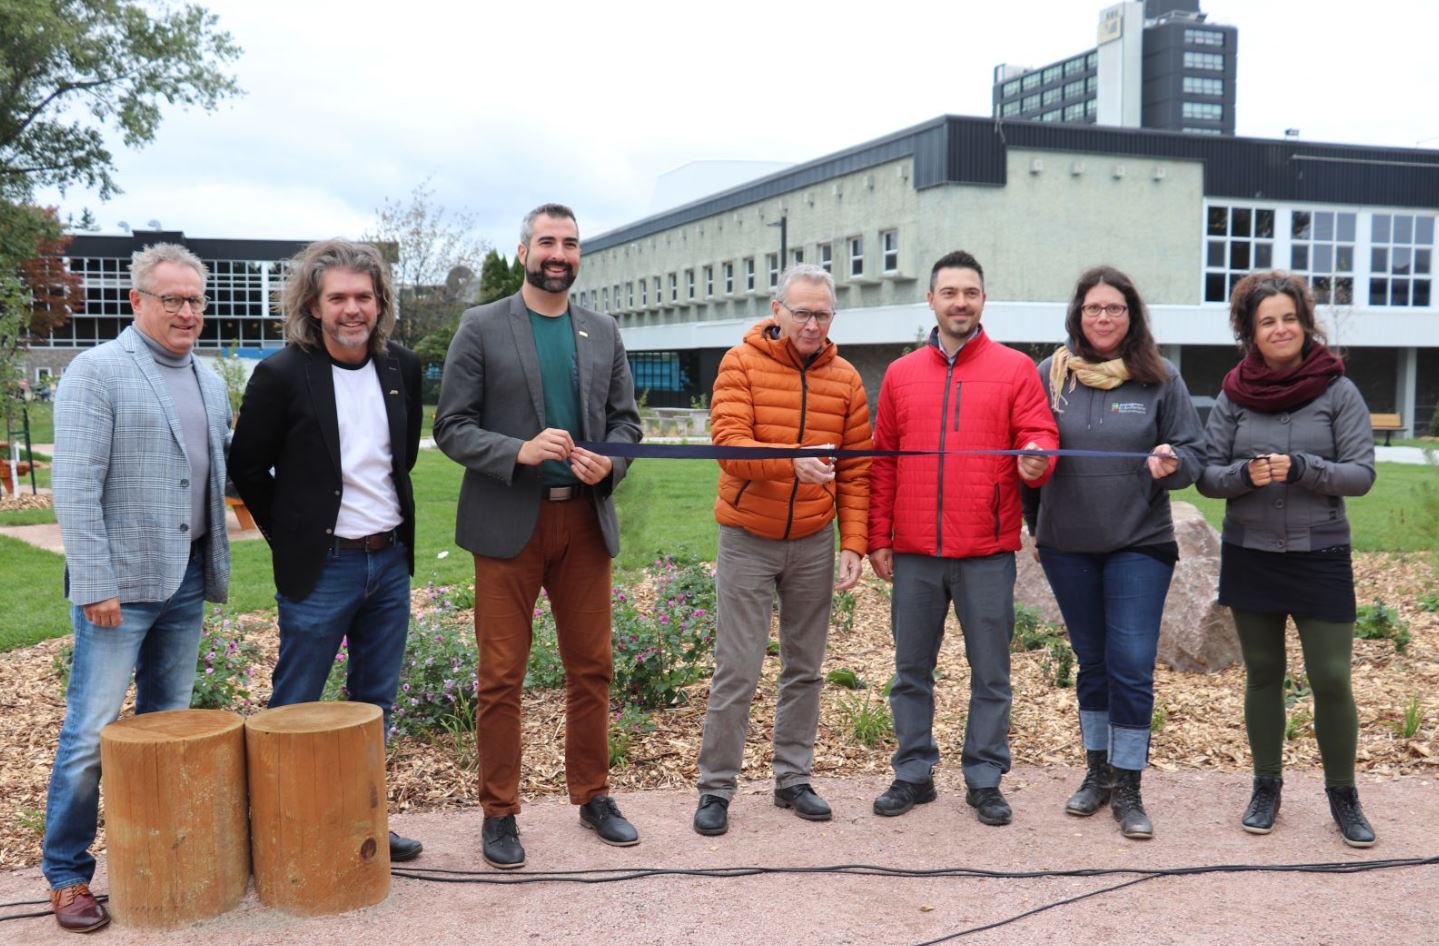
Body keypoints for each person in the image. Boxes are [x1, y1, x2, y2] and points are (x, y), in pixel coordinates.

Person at [434, 203, 643, 869]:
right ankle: (499, 812)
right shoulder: (481, 326)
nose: (559, 253)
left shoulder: (601, 331)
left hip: (582, 521)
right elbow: (451, 426)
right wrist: (517, 451)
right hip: (507, 524)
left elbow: (626, 425)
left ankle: (594, 795)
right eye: (547, 242)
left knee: (592, 668)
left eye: (570, 243)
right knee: (500, 676)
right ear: (523, 249)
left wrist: (611, 458)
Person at [44, 243, 232, 933]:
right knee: (91, 735)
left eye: (195, 300)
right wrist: (95, 581)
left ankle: (156, 857)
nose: (187, 312)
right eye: (172, 299)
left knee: (164, 732)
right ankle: (67, 875)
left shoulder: (209, 380)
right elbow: (75, 487)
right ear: (137, 302)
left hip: (184, 581)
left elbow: (217, 473)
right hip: (117, 591)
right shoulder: (97, 373)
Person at [229, 239, 424, 863]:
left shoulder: (403, 368)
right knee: (294, 704)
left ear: (380, 302)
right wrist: (290, 537)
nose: (352, 309)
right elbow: (248, 468)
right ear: (314, 305)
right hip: (323, 566)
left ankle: (361, 820)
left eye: (363, 296)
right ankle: (277, 834)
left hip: (389, 561)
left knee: (375, 705)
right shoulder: (283, 373)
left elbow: (404, 457)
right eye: (337, 297)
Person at [867, 250, 1058, 827]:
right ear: (931, 300)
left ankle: (983, 777)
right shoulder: (901, 374)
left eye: (970, 292)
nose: (960, 302)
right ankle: (913, 772)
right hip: (917, 551)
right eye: (949, 292)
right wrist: (879, 536)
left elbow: (1039, 434)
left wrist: (1037, 461)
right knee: (911, 670)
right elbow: (883, 462)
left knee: (992, 673)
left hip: (987, 550)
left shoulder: (1015, 368)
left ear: (983, 300)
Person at [1022, 266, 1203, 840]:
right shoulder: (1049, 376)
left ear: (1132, 317)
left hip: (1138, 545)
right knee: (1094, 665)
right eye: (1093, 308)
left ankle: (1129, 785)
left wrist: (1173, 463)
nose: (1103, 318)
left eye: (1115, 309)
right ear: (1078, 313)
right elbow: (1027, 457)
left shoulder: (1160, 377)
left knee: (1130, 665)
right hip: (1066, 546)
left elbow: (1195, 457)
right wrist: (1037, 526)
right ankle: (1097, 772)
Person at [1197, 271, 1377, 847]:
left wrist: (1304, 467)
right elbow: (1206, 474)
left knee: (1330, 677)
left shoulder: (1339, 390)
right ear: (1250, 330)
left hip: (1320, 553)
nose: (1280, 329)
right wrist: (1244, 476)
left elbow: (1362, 474)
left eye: (1289, 318)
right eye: (1267, 320)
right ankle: (1266, 785)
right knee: (1264, 675)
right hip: (1251, 554)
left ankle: (1343, 796)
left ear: (1305, 323)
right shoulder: (1232, 393)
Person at [692, 264, 872, 836]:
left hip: (814, 540)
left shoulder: (845, 378)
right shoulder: (738, 363)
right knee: (737, 669)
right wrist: (789, 459)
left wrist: (856, 544)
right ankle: (716, 787)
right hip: (748, 536)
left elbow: (858, 470)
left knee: (805, 668)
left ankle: (793, 779)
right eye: (802, 313)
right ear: (777, 311)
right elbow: (729, 446)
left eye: (823, 314)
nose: (813, 324)